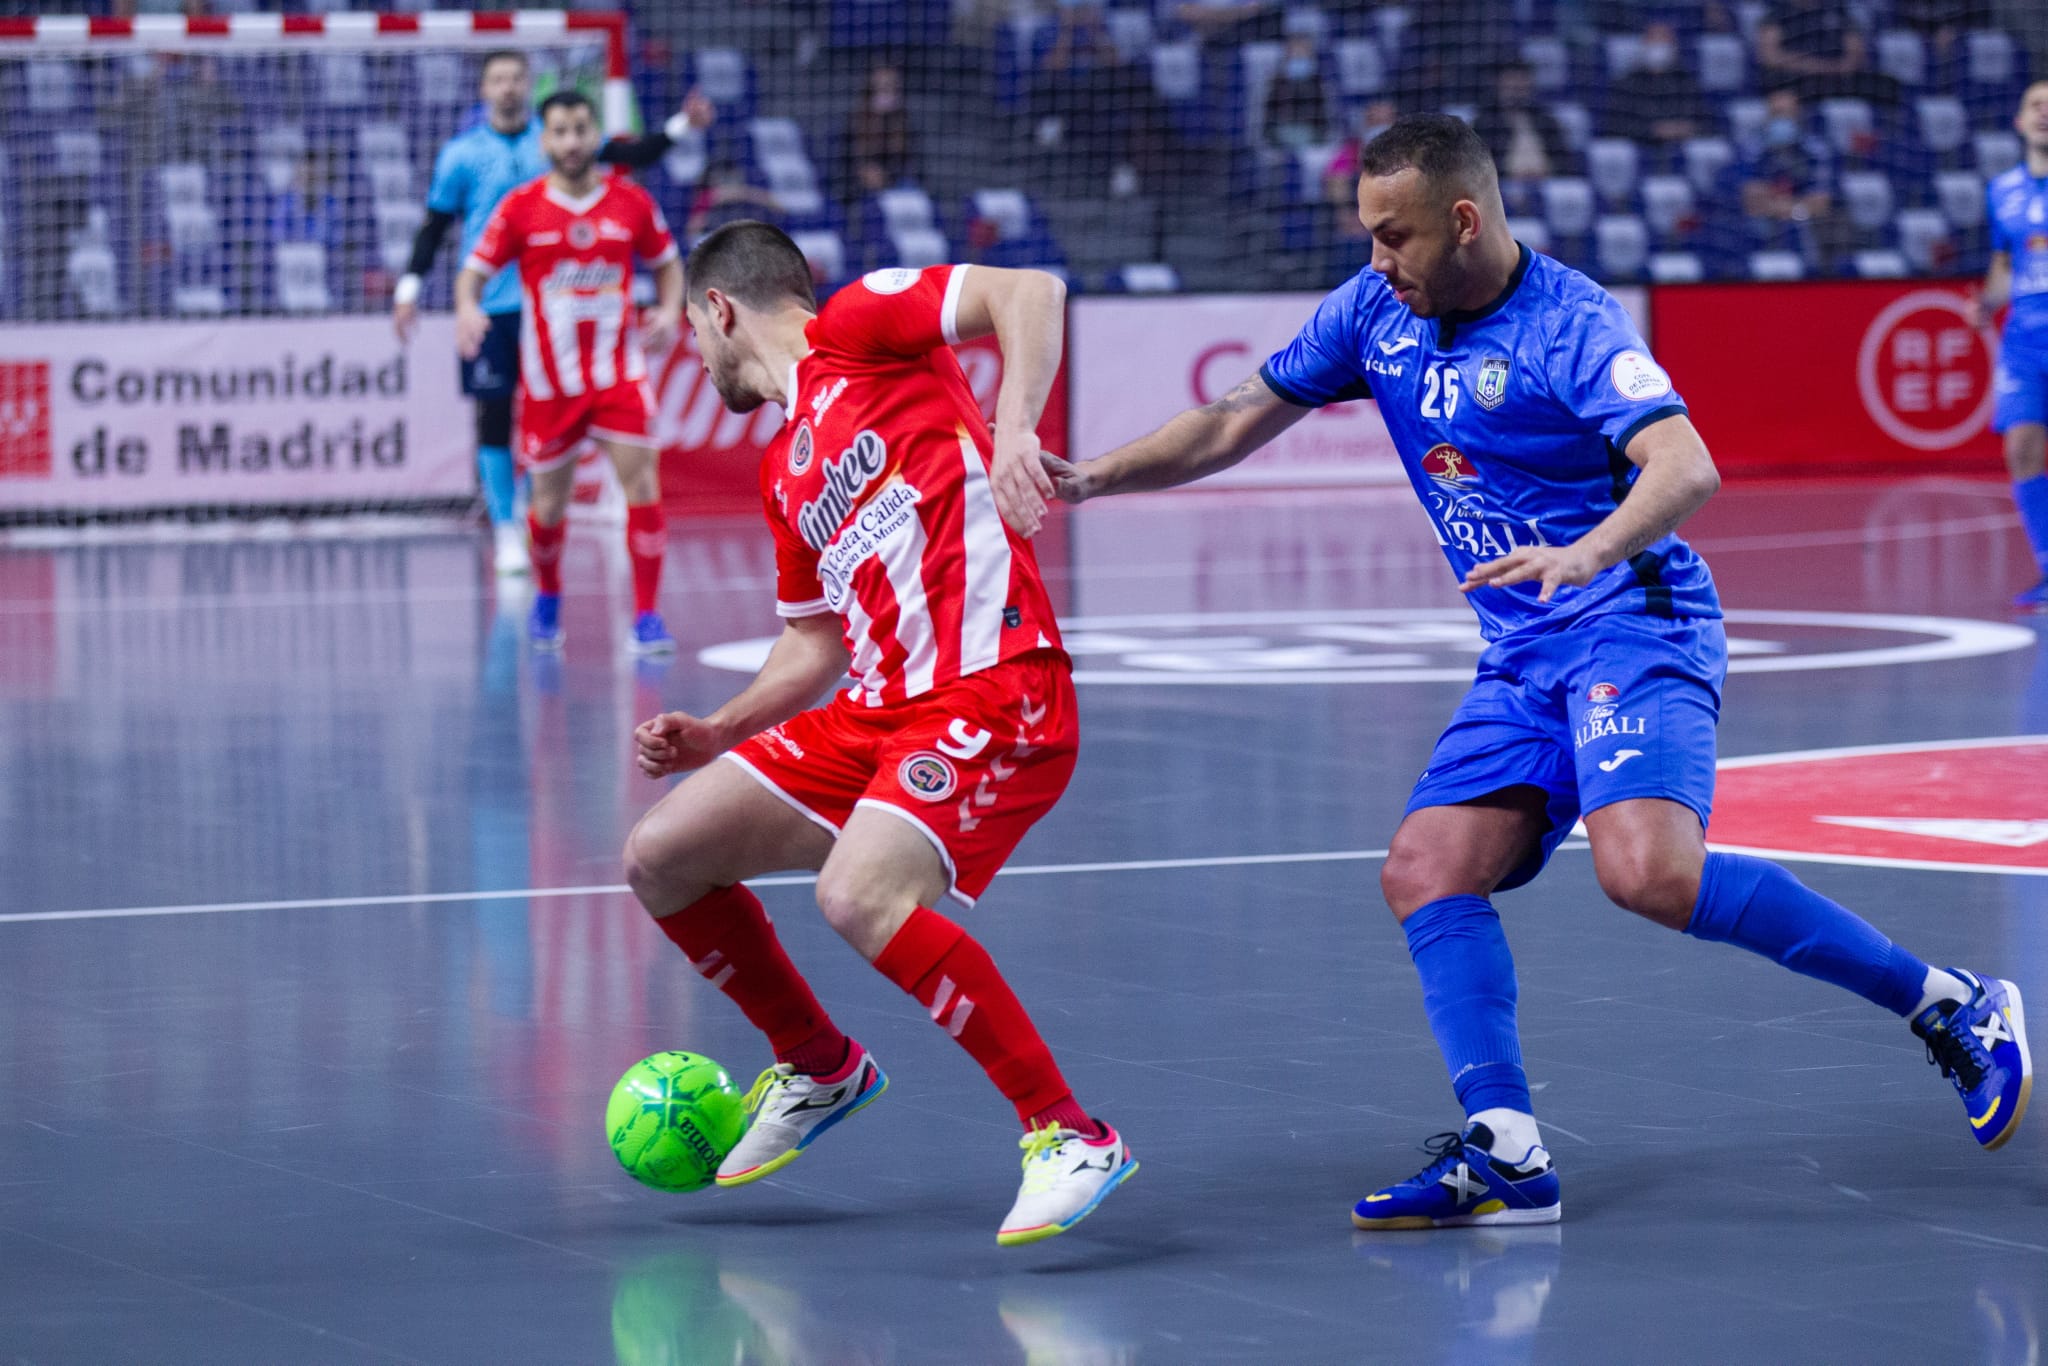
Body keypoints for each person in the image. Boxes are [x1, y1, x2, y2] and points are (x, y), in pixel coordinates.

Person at [997, 114, 2032, 1228]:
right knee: (1426, 866)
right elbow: (1232, 418)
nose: (1374, 261)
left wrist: (1585, 550)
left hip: (1632, 618)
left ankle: (1950, 1004)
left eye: (1392, 237)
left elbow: (1684, 464)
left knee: (1646, 874)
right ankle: (1506, 1150)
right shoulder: (1372, 312)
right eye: (1366, 236)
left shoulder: (1571, 321)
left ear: (1463, 220)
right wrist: (1089, 478)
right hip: (1523, 646)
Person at [620, 222, 1138, 1246]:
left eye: (691, 330)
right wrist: (715, 729)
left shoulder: (857, 329)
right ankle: (818, 1066)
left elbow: (1028, 289)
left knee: (856, 893)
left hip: (994, 686)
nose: (694, 352)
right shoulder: (783, 471)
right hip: (874, 712)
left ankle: (1068, 1132)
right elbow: (811, 646)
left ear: (719, 310)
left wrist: (1013, 429)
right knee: (660, 855)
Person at [393, 49, 702, 576]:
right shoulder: (462, 154)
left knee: (551, 417)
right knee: (493, 413)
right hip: (494, 306)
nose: (509, 87)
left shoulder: (562, 136)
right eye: (498, 78)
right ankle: (507, 528)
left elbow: (634, 152)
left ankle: (532, 521)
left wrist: (679, 126)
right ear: (485, 89)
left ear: (527, 85)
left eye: (516, 77)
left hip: (561, 308)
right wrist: (410, 287)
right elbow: (435, 225)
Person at [455, 91, 685, 656]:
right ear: (545, 140)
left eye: (582, 129)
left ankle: (648, 617)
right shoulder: (520, 207)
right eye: (561, 131)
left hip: (618, 378)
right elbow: (472, 275)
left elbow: (669, 262)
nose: (573, 141)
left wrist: (673, 307)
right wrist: (466, 307)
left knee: (645, 489)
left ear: (593, 135)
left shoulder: (630, 202)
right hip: (550, 388)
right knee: (548, 510)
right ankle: (549, 597)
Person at [1974, 80, 2048, 612]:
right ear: (2020, 122)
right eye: (2036, 106)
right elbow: (2005, 262)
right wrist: (1987, 301)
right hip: (2023, 338)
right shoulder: (2002, 190)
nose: (2045, 114)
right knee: (2020, 449)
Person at [1469, 62, 1569, 215]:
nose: (1516, 89)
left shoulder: (1546, 121)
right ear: (1499, 84)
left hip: (1547, 188)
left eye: (1521, 82)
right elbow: (1475, 167)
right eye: (1511, 83)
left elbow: (1565, 160)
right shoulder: (1484, 123)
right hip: (1501, 190)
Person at [1602, 19, 1710, 154]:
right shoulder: (1626, 83)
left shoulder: (1687, 83)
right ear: (1643, 44)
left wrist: (1683, 129)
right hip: (1640, 153)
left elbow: (1706, 123)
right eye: (1653, 39)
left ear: (1674, 46)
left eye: (1664, 40)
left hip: (1680, 152)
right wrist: (1654, 130)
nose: (1658, 45)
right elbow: (1614, 126)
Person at [847, 63, 916, 197]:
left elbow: (914, 167)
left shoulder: (906, 125)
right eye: (882, 88)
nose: (888, 95)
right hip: (859, 192)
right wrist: (861, 173)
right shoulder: (853, 123)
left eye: (892, 88)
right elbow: (843, 167)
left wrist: (887, 177)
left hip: (897, 190)